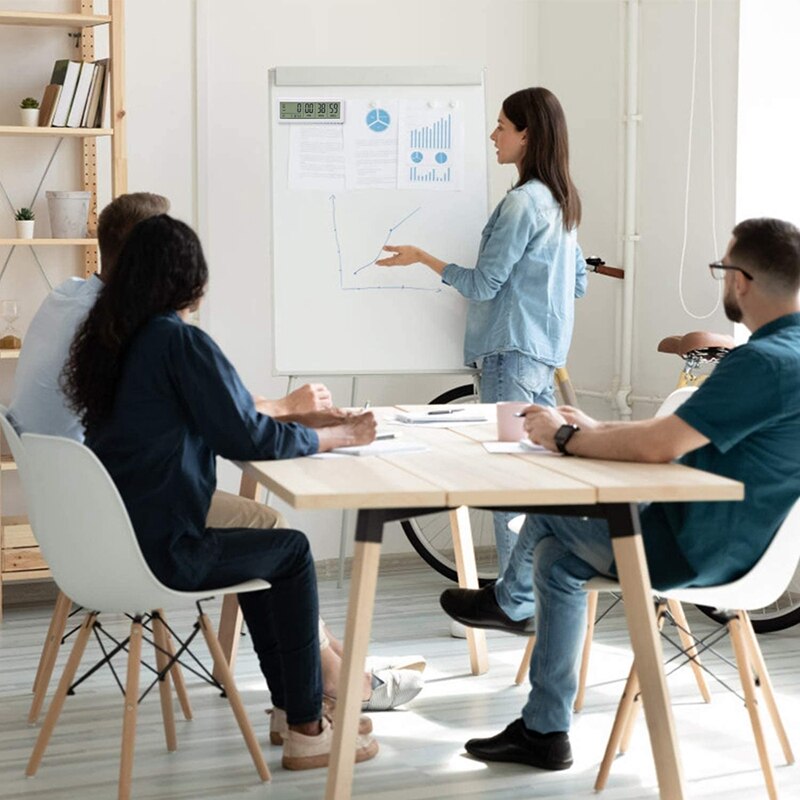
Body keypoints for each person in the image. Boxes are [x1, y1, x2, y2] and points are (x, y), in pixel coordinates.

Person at [9, 193, 423, 726]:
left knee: (267, 549)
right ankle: (306, 721)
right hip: (158, 548)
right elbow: (245, 437)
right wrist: (337, 436)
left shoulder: (105, 335)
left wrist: (289, 422)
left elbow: (218, 419)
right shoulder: (175, 341)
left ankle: (296, 703)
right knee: (289, 551)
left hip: (103, 533)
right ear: (192, 282)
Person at [440, 218, 800, 771]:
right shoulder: (789, 355)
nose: (721, 281)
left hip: (695, 550)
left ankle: (510, 606)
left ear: (741, 281)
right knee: (557, 562)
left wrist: (564, 437)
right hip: (747, 548)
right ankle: (544, 730)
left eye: (721, 270)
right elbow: (675, 441)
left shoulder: (759, 363)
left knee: (548, 511)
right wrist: (593, 429)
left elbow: (660, 446)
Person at [376, 87, 587, 575]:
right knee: (541, 480)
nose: (493, 136)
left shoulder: (521, 205)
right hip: (543, 355)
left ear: (527, 135)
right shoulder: (562, 202)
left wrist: (423, 258)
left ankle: (514, 602)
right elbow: (576, 283)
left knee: (507, 481)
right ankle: (542, 592)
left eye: (501, 127)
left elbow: (484, 284)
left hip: (510, 357)